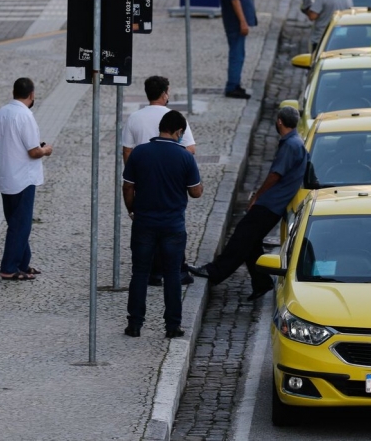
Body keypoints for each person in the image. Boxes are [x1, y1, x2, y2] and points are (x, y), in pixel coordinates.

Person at [188, 107, 308, 301]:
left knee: (242, 237)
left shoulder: (290, 145)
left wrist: (257, 196)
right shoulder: (296, 142)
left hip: (270, 203)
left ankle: (215, 271)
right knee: (251, 242)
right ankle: (262, 283)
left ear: (279, 122)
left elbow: (275, 175)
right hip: (275, 204)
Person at [122, 110, 203, 338]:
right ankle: (172, 326)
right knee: (172, 274)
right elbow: (195, 192)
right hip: (173, 226)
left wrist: (132, 209)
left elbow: (128, 186)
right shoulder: (185, 157)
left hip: (144, 222)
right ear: (178, 132)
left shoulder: (140, 153)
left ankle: (135, 324)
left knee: (139, 273)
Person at [122, 75, 196, 287]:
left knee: (147, 225)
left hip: (144, 179)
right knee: (174, 224)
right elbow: (190, 149)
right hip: (171, 178)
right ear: (165, 94)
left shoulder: (134, 118)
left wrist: (135, 173)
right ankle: (177, 270)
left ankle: (153, 272)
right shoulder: (174, 117)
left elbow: (127, 151)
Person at [0, 77, 52, 281]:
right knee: (21, 225)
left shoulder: (0, 113)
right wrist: (46, 150)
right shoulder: (24, 116)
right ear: (32, 94)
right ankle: (9, 267)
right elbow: (34, 151)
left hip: (6, 176)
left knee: (15, 222)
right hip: (23, 178)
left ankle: (22, 263)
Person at [220, 0, 258, 99]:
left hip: (233, 22)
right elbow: (235, 0)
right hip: (235, 23)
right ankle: (232, 86)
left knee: (238, 53)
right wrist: (243, 21)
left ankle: (235, 84)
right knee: (237, 55)